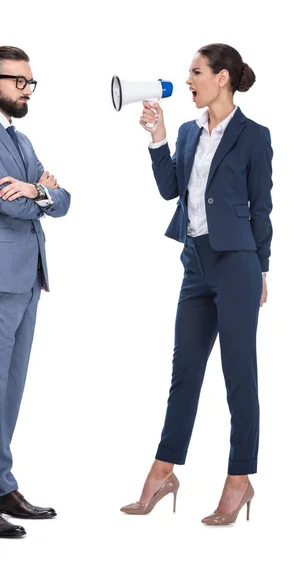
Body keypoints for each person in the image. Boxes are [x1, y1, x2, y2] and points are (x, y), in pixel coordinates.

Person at [120, 43, 273, 525]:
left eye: (196, 72)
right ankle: (163, 472)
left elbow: (262, 206)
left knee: (238, 374)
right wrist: (157, 137)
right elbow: (171, 188)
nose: (188, 80)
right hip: (195, 263)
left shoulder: (254, 135)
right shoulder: (187, 131)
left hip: (238, 265)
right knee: (184, 371)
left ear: (222, 78)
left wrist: (262, 268)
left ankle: (239, 479)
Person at [0, 46, 71, 538]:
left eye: (30, 82)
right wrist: (34, 193)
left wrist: (37, 191)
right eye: (18, 81)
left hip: (29, 275)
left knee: (10, 388)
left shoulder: (19, 138)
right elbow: (9, 207)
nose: (26, 90)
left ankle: (1, 484)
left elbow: (63, 200)